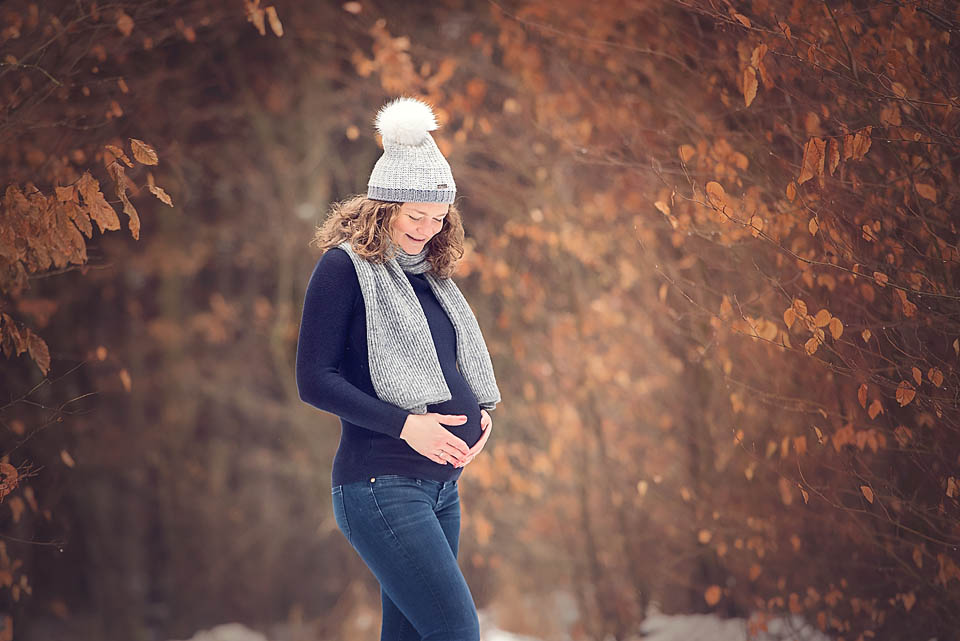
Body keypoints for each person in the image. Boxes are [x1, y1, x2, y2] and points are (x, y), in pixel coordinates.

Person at [295, 96, 501, 641]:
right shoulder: (342, 269)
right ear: (383, 206)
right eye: (416, 216)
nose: (428, 230)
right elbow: (314, 380)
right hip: (380, 483)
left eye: (438, 219)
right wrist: (409, 424)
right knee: (456, 632)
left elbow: (453, 369)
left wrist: (480, 417)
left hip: (441, 489)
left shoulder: (429, 278)